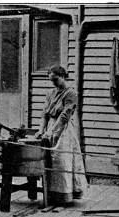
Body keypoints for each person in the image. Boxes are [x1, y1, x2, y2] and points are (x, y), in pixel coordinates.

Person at [35, 65, 88, 205]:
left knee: (61, 161)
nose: (53, 83)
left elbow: (64, 116)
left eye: (55, 79)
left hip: (63, 130)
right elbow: (44, 114)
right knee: (50, 161)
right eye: (51, 80)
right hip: (50, 129)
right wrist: (41, 130)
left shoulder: (71, 94)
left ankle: (64, 196)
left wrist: (51, 132)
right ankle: (51, 195)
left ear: (63, 76)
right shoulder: (50, 94)